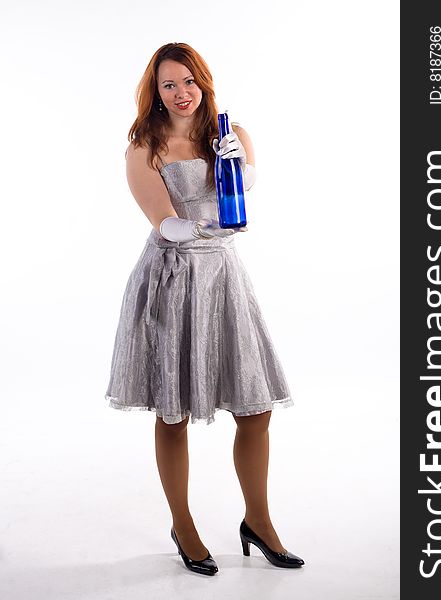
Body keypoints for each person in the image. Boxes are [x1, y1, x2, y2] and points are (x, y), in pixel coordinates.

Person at [104, 42, 304, 575]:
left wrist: (243, 172)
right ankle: (183, 524)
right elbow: (164, 222)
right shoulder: (144, 147)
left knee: (255, 406)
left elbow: (246, 191)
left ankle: (258, 522)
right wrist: (199, 226)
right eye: (169, 84)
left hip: (225, 277)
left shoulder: (230, 135)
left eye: (189, 80)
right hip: (173, 279)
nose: (181, 92)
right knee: (174, 411)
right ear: (156, 92)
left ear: (204, 81)